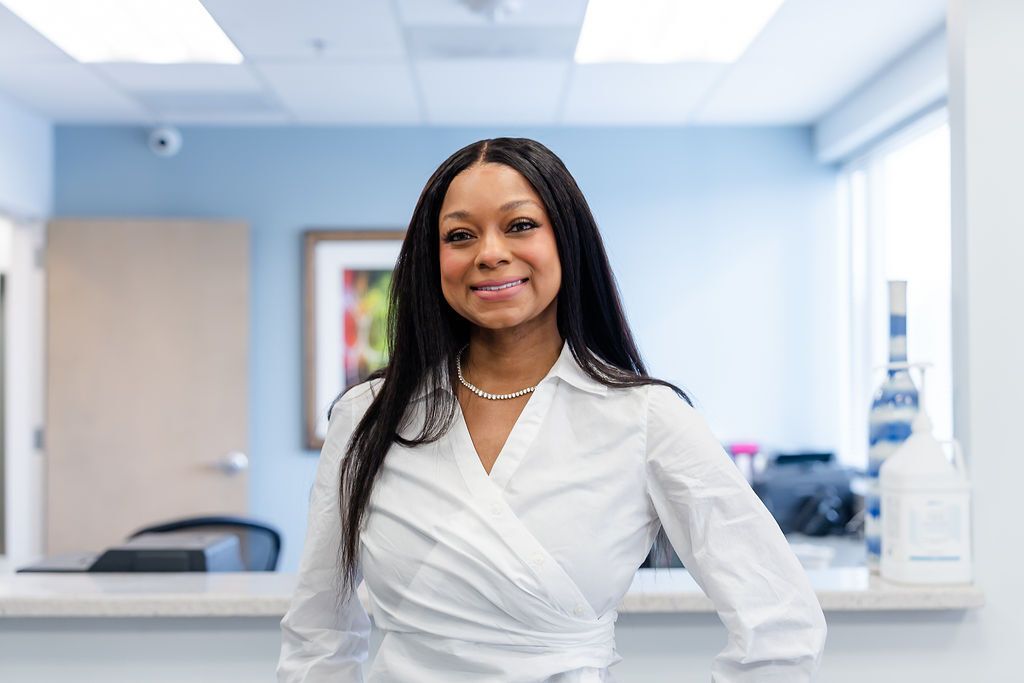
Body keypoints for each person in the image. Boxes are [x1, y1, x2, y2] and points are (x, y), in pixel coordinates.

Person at [277, 137, 827, 682]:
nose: (489, 252)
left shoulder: (646, 417)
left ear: (568, 239)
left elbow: (778, 622)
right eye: (460, 235)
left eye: (519, 226)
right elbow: (317, 633)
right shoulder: (366, 416)